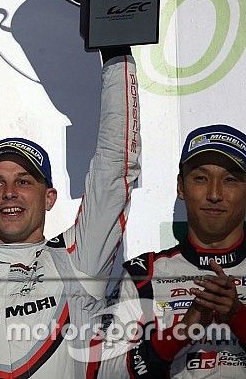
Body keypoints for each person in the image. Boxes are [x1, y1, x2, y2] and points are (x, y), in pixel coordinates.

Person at [0, 48, 141, 377]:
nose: (9, 193)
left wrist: (115, 47)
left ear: (49, 197)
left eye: (24, 181)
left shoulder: (77, 260)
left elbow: (114, 169)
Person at [91, 124, 246, 378]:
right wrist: (180, 332)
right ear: (181, 187)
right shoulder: (144, 274)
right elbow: (106, 372)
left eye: (230, 179)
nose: (215, 194)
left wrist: (238, 316)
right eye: (200, 178)